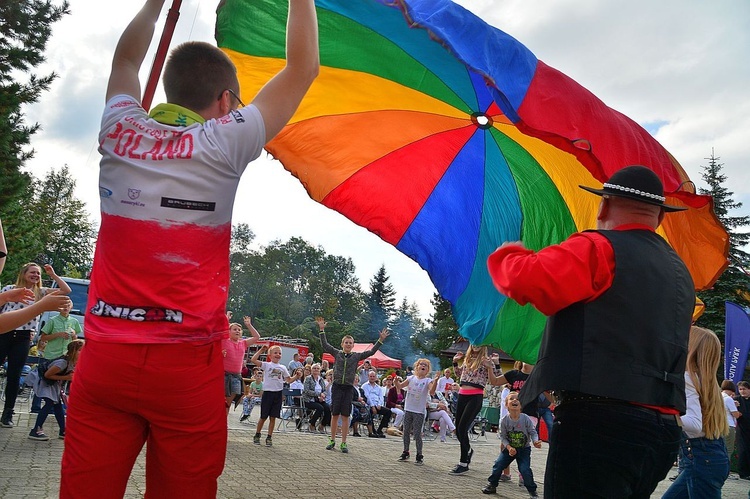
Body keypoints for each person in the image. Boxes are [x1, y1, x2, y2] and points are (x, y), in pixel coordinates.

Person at [59, 0, 318, 495]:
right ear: (225, 101)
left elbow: (125, 63)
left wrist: (156, 3)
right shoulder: (225, 143)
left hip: (104, 357)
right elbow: (302, 68)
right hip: (185, 367)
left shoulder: (118, 131)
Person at [488, 165, 695, 497]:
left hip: (601, 423)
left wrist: (506, 252)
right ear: (659, 218)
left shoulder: (599, 247)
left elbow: (525, 279)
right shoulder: (680, 272)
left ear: (604, 205)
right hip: (664, 429)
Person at [1, 263, 71, 428]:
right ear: (23, 273)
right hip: (4, 331)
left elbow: (66, 290)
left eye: (38, 274)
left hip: (24, 337)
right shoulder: (9, 288)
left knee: (14, 375)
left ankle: (8, 412)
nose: (35, 276)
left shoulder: (41, 293)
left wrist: (53, 274)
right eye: (32, 272)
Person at [663, 326, 729, 498]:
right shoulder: (707, 382)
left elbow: (694, 424)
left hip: (700, 459)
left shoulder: (688, 378)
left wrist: (664, 413)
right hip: (708, 457)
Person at [316, 316, 389, 454]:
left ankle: (344, 442)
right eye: (346, 342)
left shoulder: (356, 356)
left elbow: (371, 352)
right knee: (334, 414)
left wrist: (380, 340)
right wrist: (321, 330)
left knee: (345, 416)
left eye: (350, 343)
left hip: (348, 388)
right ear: (342, 343)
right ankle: (332, 440)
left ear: (353, 345)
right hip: (337, 386)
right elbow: (325, 345)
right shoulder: (337, 353)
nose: (348, 344)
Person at [449, 344, 499, 475]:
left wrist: (494, 364)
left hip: (475, 396)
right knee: (458, 429)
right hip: (462, 395)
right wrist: (455, 362)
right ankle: (468, 451)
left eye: (479, 343)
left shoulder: (486, 360)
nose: (476, 346)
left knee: (462, 428)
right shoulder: (467, 359)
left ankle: (463, 463)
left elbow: (497, 378)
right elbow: (459, 374)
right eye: (474, 343)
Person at [482, 392, 542, 497]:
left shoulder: (525, 419)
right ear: (506, 405)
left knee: (525, 470)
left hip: (524, 449)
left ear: (521, 405)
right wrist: (509, 448)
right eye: (511, 399)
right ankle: (492, 485)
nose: (514, 400)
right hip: (509, 450)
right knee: (498, 465)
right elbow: (503, 437)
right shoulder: (504, 421)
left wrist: (535, 441)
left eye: (517, 399)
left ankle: (532, 491)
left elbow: (533, 432)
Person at [28, 339, 84, 441]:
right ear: (73, 351)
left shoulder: (72, 363)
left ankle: (63, 430)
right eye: (80, 350)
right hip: (44, 381)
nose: (82, 353)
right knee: (49, 403)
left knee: (57, 405)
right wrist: (66, 378)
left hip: (53, 384)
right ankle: (36, 429)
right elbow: (47, 375)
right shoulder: (62, 363)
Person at [250, 345, 301, 446]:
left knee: (273, 417)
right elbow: (253, 359)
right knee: (263, 416)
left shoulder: (283, 367)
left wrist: (296, 376)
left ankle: (269, 436)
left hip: (277, 394)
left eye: (280, 353)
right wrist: (261, 350)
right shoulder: (266, 365)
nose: (278, 355)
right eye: (275, 353)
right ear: (270, 355)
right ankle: (257, 434)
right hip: (268, 393)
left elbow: (288, 380)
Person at [395, 358, 438, 465]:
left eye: (425, 365)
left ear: (427, 370)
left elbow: (432, 392)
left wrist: (436, 381)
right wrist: (396, 382)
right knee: (406, 432)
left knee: (417, 433)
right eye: (421, 364)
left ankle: (419, 454)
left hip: (419, 411)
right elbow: (400, 387)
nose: (423, 366)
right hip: (408, 409)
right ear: (417, 367)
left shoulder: (428, 381)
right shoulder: (411, 378)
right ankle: (406, 451)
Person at [222, 316, 260, 413]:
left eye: (239, 330)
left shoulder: (243, 343)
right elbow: (221, 331)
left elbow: (256, 337)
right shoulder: (225, 340)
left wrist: (249, 325)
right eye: (234, 329)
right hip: (223, 375)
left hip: (236, 376)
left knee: (227, 404)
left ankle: (224, 424)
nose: (237, 331)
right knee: (219, 401)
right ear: (229, 331)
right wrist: (226, 321)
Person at [303, 362, 330, 433]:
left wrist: (323, 395)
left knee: (328, 408)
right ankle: (312, 424)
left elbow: (324, 391)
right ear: (311, 370)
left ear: (320, 370)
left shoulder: (321, 379)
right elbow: (306, 391)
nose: (316, 370)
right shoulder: (308, 379)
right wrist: (318, 394)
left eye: (317, 368)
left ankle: (322, 425)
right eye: (314, 368)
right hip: (309, 400)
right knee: (320, 408)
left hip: (319, 399)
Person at [721, 380, 740, 463]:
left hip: (719, 425)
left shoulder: (718, 397)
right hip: (729, 425)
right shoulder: (728, 399)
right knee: (728, 449)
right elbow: (735, 414)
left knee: (720, 447)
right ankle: (725, 469)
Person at [735, 380, 750, 479]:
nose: (742, 391)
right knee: (743, 450)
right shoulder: (737, 400)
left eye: (744, 389)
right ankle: (743, 473)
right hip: (742, 429)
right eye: (740, 389)